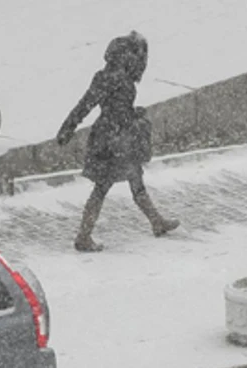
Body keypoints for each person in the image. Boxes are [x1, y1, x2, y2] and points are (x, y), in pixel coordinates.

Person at [57, 31, 179, 252]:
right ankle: (83, 236)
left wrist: (69, 127)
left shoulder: (108, 75)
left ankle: (156, 222)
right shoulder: (113, 78)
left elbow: (92, 105)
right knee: (104, 187)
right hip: (114, 140)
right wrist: (68, 127)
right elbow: (87, 104)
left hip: (116, 136)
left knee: (134, 180)